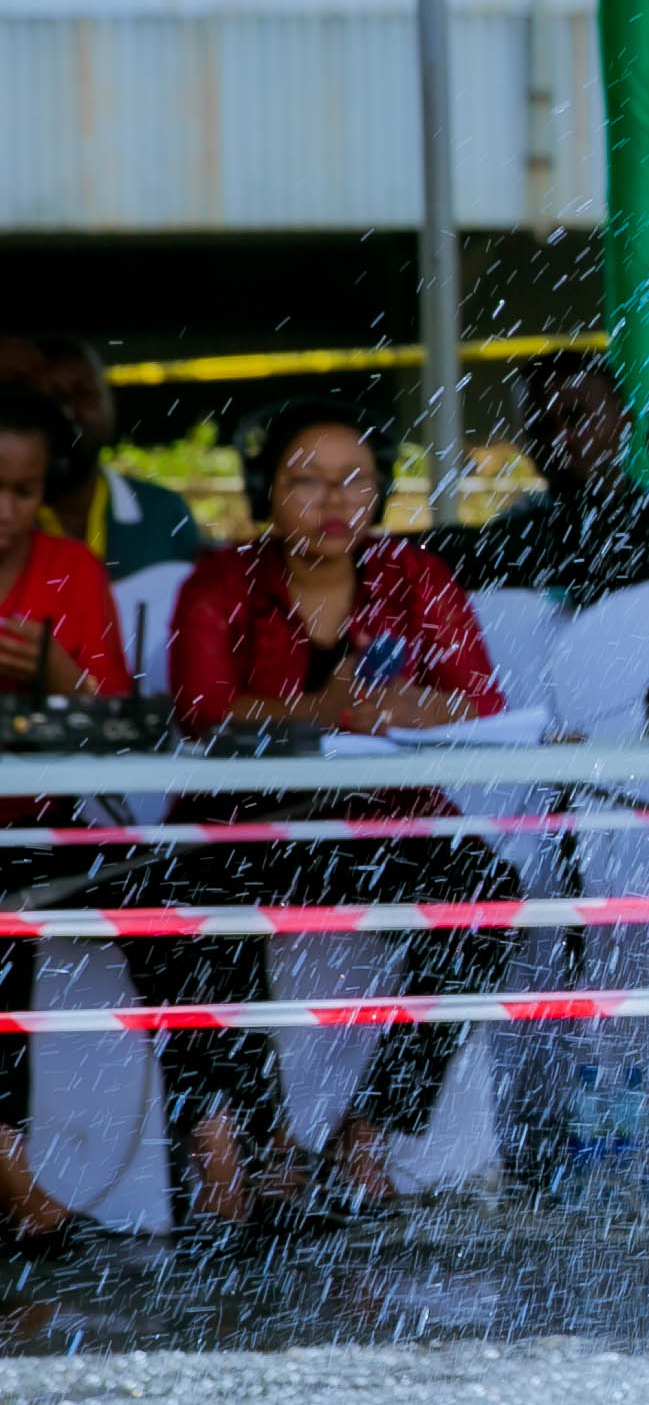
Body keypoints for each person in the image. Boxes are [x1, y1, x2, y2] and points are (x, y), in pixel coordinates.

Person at [123, 401, 515, 1222]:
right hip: (251, 822)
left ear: (380, 493)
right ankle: (240, 1141)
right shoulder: (223, 579)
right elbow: (201, 707)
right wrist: (320, 707)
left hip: (383, 822)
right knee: (177, 907)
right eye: (306, 482)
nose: (334, 502)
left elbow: (481, 700)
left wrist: (412, 709)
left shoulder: (414, 575)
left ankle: (368, 1129)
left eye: (354, 481)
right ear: (268, 493)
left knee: (486, 897)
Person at [0, 383, 134, 1253]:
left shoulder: (71, 574)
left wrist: (56, 673)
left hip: (39, 837)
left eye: (22, 490)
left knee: (188, 907)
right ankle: (15, 1178)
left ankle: (221, 1145)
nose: (5, 510)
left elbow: (120, 737)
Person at [431, 352, 649, 607]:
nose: (561, 438)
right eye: (542, 425)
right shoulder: (507, 542)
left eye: (577, 417)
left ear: (623, 420)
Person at [31, 333, 205, 574]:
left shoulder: (165, 515)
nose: (69, 411)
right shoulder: (9, 520)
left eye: (84, 394)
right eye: (53, 398)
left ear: (110, 403)